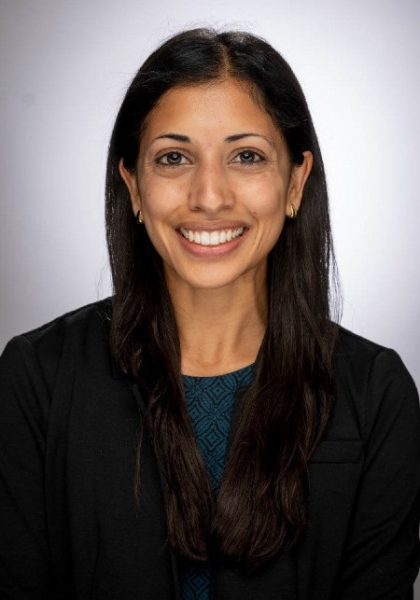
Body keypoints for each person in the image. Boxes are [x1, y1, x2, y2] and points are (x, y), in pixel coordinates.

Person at [0, 28, 419, 600]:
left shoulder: (378, 395)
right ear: (134, 186)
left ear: (296, 181)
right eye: (174, 158)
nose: (210, 196)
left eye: (246, 156)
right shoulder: (36, 380)